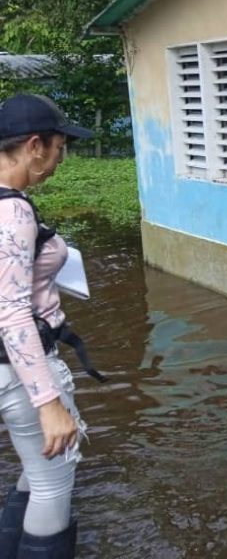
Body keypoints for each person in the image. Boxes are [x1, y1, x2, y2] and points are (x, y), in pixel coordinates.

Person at [0, 93, 99, 556]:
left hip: (7, 370)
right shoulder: (13, 211)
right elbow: (12, 311)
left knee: (36, 473)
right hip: (21, 372)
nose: (61, 159)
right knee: (53, 487)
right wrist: (49, 404)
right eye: (60, 148)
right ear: (35, 145)